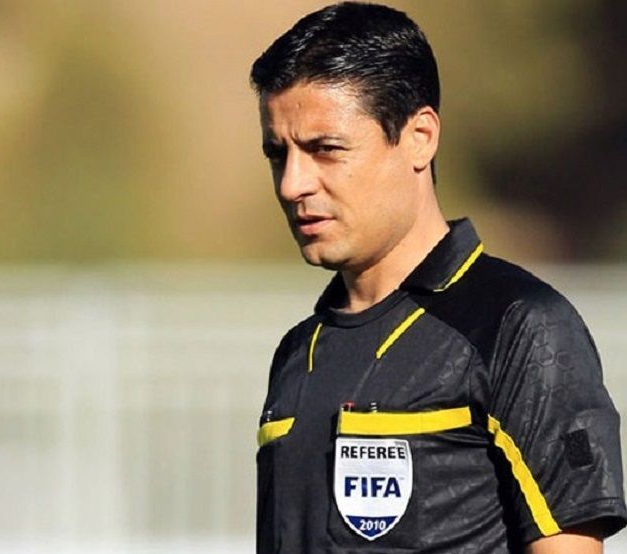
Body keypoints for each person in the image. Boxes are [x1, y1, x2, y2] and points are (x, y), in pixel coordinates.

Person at [249, 2, 627, 553]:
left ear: (420, 137)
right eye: (277, 154)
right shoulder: (297, 353)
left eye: (325, 149)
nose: (292, 184)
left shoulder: (517, 326)